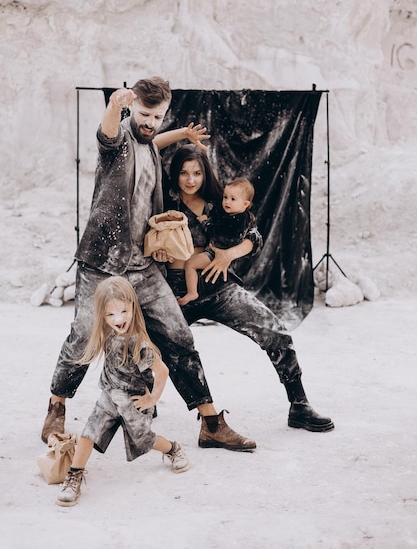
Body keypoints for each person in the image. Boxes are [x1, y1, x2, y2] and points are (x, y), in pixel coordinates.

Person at [41, 77, 257, 453]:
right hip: (102, 263)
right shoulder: (120, 139)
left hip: (142, 265)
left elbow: (153, 143)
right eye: (144, 114)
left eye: (157, 116)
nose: (150, 122)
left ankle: (210, 423)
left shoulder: (149, 145)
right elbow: (107, 134)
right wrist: (113, 106)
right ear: (131, 109)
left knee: (179, 336)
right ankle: (57, 405)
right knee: (83, 336)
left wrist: (180, 133)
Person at [164, 144, 335, 433]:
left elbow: (254, 236)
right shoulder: (163, 202)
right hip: (177, 291)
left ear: (206, 174)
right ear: (175, 174)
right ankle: (143, 402)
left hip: (219, 287)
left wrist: (230, 254)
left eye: (197, 173)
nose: (190, 180)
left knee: (275, 330)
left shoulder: (222, 202)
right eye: (183, 173)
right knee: (153, 345)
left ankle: (299, 404)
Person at [56, 276, 190, 507]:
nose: (118, 319)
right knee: (89, 434)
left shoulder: (139, 344)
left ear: (133, 307)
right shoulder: (106, 334)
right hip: (108, 395)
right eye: (110, 314)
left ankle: (173, 449)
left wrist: (152, 398)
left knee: (144, 439)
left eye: (123, 311)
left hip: (132, 399)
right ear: (102, 315)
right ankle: (74, 475)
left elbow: (163, 371)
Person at [178, 177, 257, 306]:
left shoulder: (233, 220)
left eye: (232, 199)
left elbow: (215, 232)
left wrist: (205, 222)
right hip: (220, 255)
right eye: (225, 197)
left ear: (245, 204)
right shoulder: (245, 217)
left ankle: (192, 292)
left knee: (190, 264)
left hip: (216, 254)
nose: (227, 202)